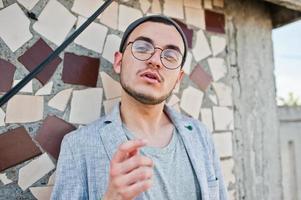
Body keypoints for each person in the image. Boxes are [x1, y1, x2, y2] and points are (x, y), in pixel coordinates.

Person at [51, 15, 228, 200]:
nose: (155, 61)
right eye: (142, 48)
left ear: (178, 80)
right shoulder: (78, 145)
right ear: (119, 62)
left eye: (170, 56)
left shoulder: (200, 135)